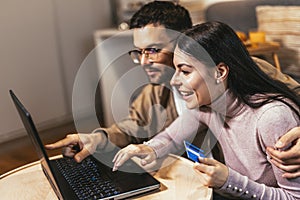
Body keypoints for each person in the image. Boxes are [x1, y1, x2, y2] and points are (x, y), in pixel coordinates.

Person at [46, 1, 300, 177]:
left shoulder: (240, 70)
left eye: (153, 50)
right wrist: (95, 139)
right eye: (139, 52)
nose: (144, 62)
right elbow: (131, 127)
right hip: (196, 180)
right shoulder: (153, 92)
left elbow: (293, 96)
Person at [112, 21, 300, 199]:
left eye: (185, 71)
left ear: (219, 72)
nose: (174, 81)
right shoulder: (207, 106)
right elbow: (171, 138)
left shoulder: (273, 118)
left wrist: (230, 181)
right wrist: (146, 148)